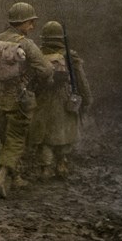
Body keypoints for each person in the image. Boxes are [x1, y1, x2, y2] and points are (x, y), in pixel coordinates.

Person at [0, 2, 53, 198]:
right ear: (22, 22)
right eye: (30, 22)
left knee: (5, 138)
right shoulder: (26, 44)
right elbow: (46, 70)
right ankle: (1, 176)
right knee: (16, 139)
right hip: (19, 98)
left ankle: (15, 177)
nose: (32, 26)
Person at [28, 21, 93, 180]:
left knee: (44, 136)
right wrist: (87, 99)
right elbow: (81, 80)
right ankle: (62, 163)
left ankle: (45, 168)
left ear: (43, 37)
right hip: (64, 99)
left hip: (42, 99)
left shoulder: (37, 55)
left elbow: (30, 80)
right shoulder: (70, 56)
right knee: (64, 133)